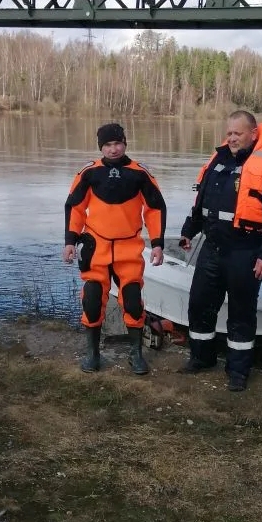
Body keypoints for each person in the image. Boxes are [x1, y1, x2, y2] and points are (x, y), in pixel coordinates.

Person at [178, 110, 262, 392]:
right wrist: (188, 231)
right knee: (200, 305)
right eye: (228, 133)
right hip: (212, 248)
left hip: (245, 251)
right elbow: (202, 203)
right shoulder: (218, 159)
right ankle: (201, 359)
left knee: (241, 314)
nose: (231, 138)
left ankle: (238, 372)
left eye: (237, 133)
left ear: (253, 134)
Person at [63, 122, 166, 374]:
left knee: (132, 300)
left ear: (125, 143)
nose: (113, 149)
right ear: (101, 147)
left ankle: (136, 354)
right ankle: (93, 353)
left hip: (128, 247)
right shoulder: (89, 172)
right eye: (107, 145)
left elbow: (155, 209)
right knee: (91, 298)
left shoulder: (140, 173)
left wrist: (157, 244)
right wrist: (69, 241)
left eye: (117, 143)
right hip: (95, 246)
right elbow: (74, 207)